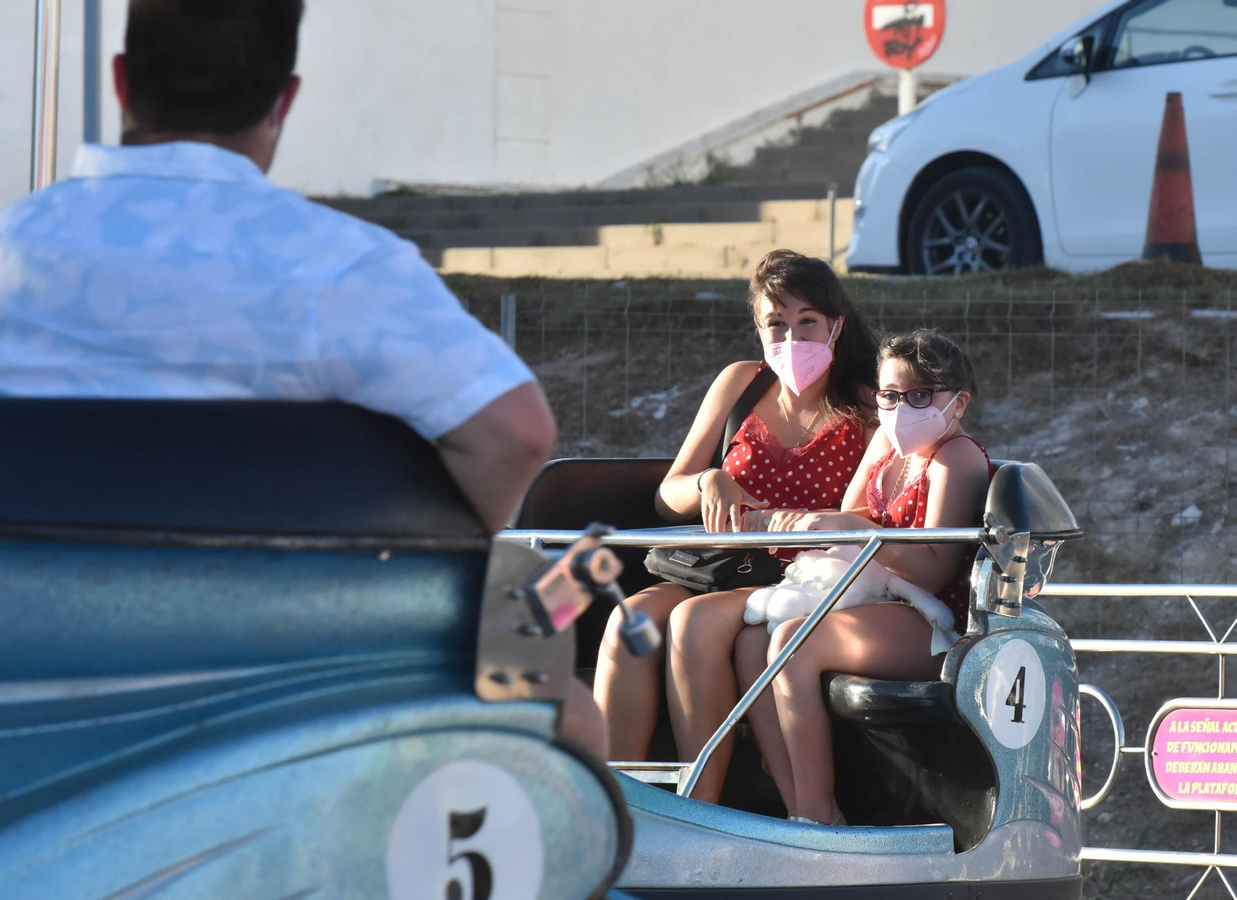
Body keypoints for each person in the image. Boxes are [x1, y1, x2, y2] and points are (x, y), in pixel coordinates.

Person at [0, 0, 605, 756]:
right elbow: (517, 435)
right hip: (282, 687)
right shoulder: (341, 266)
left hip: (24, 688)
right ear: (284, 100)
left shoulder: (11, 250)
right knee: (562, 706)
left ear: (122, 83)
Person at [593, 250, 879, 800]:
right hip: (721, 563)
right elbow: (666, 494)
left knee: (694, 623)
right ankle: (615, 805)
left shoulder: (866, 402)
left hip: (804, 578)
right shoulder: (740, 383)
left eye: (806, 322)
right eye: (776, 323)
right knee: (631, 620)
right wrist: (707, 482)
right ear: (758, 328)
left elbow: (880, 511)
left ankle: (698, 807)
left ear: (836, 326)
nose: (791, 338)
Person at [734, 330, 991, 824]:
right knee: (751, 643)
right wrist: (797, 521)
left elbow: (934, 568)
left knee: (795, 640)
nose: (901, 408)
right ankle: (802, 808)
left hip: (931, 619)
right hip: (874, 596)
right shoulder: (886, 442)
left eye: (920, 395)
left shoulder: (955, 458)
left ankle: (816, 816)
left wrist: (854, 527)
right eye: (890, 395)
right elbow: (850, 513)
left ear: (958, 403)